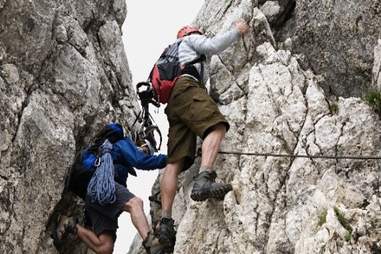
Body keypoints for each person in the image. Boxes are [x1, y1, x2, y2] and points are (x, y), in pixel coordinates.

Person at [158, 20, 250, 249]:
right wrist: (236, 32)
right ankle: (204, 180)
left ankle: (166, 222)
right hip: (187, 89)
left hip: (174, 102)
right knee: (216, 125)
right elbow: (212, 46)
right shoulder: (190, 40)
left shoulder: (170, 54)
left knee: (174, 162)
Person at [57, 123, 167, 254]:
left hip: (94, 195)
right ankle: (151, 243)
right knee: (136, 203)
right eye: (145, 149)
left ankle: (69, 224)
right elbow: (141, 161)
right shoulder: (122, 143)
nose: (145, 153)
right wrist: (171, 158)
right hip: (99, 184)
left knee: (105, 247)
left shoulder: (117, 164)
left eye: (148, 152)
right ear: (138, 142)